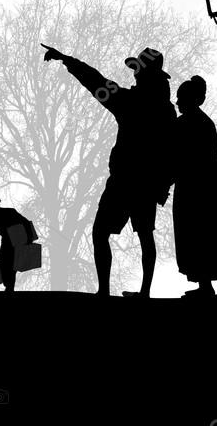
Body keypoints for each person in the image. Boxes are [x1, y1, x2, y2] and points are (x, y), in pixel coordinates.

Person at [42, 44, 176, 297]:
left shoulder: (129, 101)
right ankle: (144, 291)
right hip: (147, 184)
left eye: (137, 70)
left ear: (143, 74)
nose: (134, 74)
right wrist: (163, 186)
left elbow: (94, 81)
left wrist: (67, 60)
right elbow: (172, 155)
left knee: (101, 232)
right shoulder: (166, 110)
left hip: (124, 180)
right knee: (145, 234)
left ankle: (104, 289)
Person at [172, 76, 217, 297]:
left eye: (180, 97)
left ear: (190, 99)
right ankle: (204, 284)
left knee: (194, 235)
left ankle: (205, 286)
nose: (177, 101)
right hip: (205, 190)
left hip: (192, 190)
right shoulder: (205, 122)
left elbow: (176, 157)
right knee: (203, 236)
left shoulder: (185, 124)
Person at [0, 197, 37, 292]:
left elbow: (25, 222)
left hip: (17, 242)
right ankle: (9, 287)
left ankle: (9, 288)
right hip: (8, 243)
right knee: (5, 266)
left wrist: (29, 238)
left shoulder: (9, 212)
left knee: (11, 266)